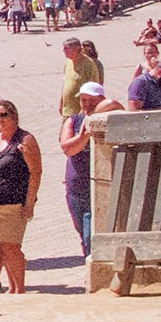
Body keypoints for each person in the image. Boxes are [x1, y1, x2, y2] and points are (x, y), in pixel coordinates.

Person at [0, 100, 41, 293]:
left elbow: (35, 173)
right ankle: (11, 288)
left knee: (11, 247)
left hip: (13, 202)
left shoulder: (25, 140)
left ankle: (20, 289)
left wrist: (29, 204)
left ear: (15, 116)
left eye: (4, 115)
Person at [58, 84, 106, 257]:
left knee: (90, 235)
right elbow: (67, 148)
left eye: (92, 100)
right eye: (84, 100)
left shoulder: (108, 120)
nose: (87, 104)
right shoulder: (74, 121)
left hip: (100, 185)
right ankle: (90, 269)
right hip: (77, 187)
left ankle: (94, 269)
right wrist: (84, 136)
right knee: (82, 231)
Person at [59, 37, 104, 118]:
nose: (63, 50)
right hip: (67, 110)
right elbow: (65, 84)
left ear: (76, 49)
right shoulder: (68, 63)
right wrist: (61, 103)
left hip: (81, 112)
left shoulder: (88, 65)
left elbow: (93, 88)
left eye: (66, 48)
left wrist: (84, 110)